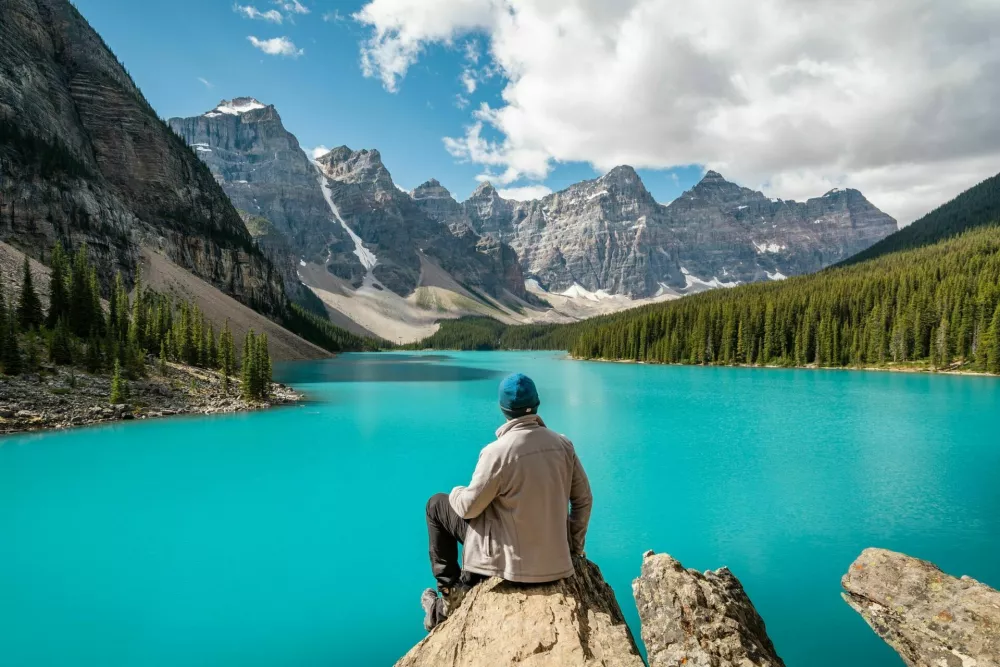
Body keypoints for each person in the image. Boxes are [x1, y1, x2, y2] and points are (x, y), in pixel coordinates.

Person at [420, 373, 593, 631]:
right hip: (557, 564)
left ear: (504, 409)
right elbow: (583, 501)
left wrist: (457, 491)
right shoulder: (563, 445)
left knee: (437, 504)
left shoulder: (497, 452)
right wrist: (573, 550)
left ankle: (450, 592)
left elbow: (468, 507)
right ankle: (459, 587)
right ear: (536, 404)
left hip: (512, 570)